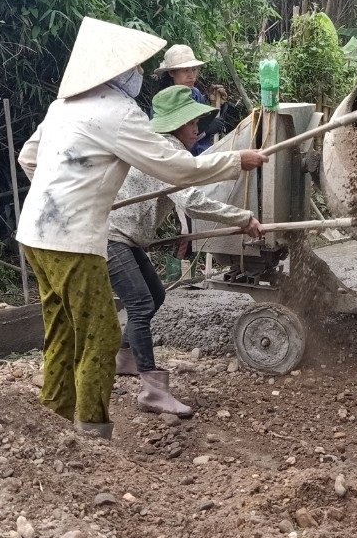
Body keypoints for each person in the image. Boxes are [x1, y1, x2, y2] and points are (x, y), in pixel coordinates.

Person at [16, 18, 266, 439]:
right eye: (134, 68)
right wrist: (234, 160)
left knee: (62, 323)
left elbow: (28, 158)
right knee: (100, 333)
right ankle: (92, 429)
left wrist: (62, 191)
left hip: (33, 234)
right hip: (76, 241)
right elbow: (175, 169)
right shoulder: (118, 113)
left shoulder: (64, 107)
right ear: (115, 72)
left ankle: (55, 412)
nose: (137, 76)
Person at [107, 85, 264, 417]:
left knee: (155, 295)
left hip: (128, 237)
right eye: (191, 122)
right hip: (110, 236)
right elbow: (191, 200)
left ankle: (123, 358)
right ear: (174, 125)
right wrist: (243, 217)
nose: (198, 128)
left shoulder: (169, 148)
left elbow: (183, 195)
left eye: (197, 121)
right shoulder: (165, 151)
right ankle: (152, 391)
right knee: (140, 304)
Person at [155, 44, 228, 154]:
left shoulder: (195, 93)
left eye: (194, 70)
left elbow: (202, 119)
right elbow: (168, 138)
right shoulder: (163, 101)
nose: (192, 76)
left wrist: (213, 102)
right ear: (171, 73)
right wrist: (206, 131)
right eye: (186, 71)